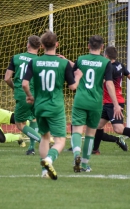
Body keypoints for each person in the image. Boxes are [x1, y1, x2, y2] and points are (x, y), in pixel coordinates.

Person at [22, 31, 82, 180]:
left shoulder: (34, 61)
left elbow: (24, 83)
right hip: (55, 106)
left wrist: (30, 96)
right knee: (60, 140)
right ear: (57, 44)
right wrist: (79, 76)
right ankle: (49, 160)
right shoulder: (63, 63)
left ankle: (44, 172)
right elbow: (73, 87)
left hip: (40, 106)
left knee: (44, 137)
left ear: (41, 46)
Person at [71, 36, 123, 173]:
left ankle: (76, 155)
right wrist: (116, 104)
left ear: (88, 46)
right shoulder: (105, 62)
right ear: (102, 47)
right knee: (90, 134)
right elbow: (109, 83)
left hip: (80, 100)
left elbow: (73, 76)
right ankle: (84, 164)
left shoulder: (81, 59)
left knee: (76, 130)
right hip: (95, 103)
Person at [4, 35, 42, 155]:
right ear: (40, 47)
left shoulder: (16, 58)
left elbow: (7, 78)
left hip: (23, 94)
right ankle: (31, 148)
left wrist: (15, 88)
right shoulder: (41, 61)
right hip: (37, 94)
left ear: (28, 44)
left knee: (20, 123)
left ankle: (42, 141)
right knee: (34, 118)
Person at [92, 46, 129, 154]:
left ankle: (116, 139)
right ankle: (95, 150)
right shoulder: (120, 65)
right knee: (97, 126)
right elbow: (128, 75)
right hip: (108, 103)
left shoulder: (108, 68)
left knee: (119, 129)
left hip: (114, 103)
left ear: (106, 56)